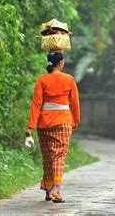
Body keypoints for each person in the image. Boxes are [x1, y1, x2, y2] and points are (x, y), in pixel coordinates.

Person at [26, 51, 80, 203]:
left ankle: (49, 191)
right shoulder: (69, 79)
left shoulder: (42, 79)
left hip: (44, 123)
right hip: (63, 122)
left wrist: (30, 126)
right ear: (60, 63)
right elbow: (74, 103)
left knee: (48, 157)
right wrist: (76, 120)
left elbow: (36, 104)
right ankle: (56, 187)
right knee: (58, 157)